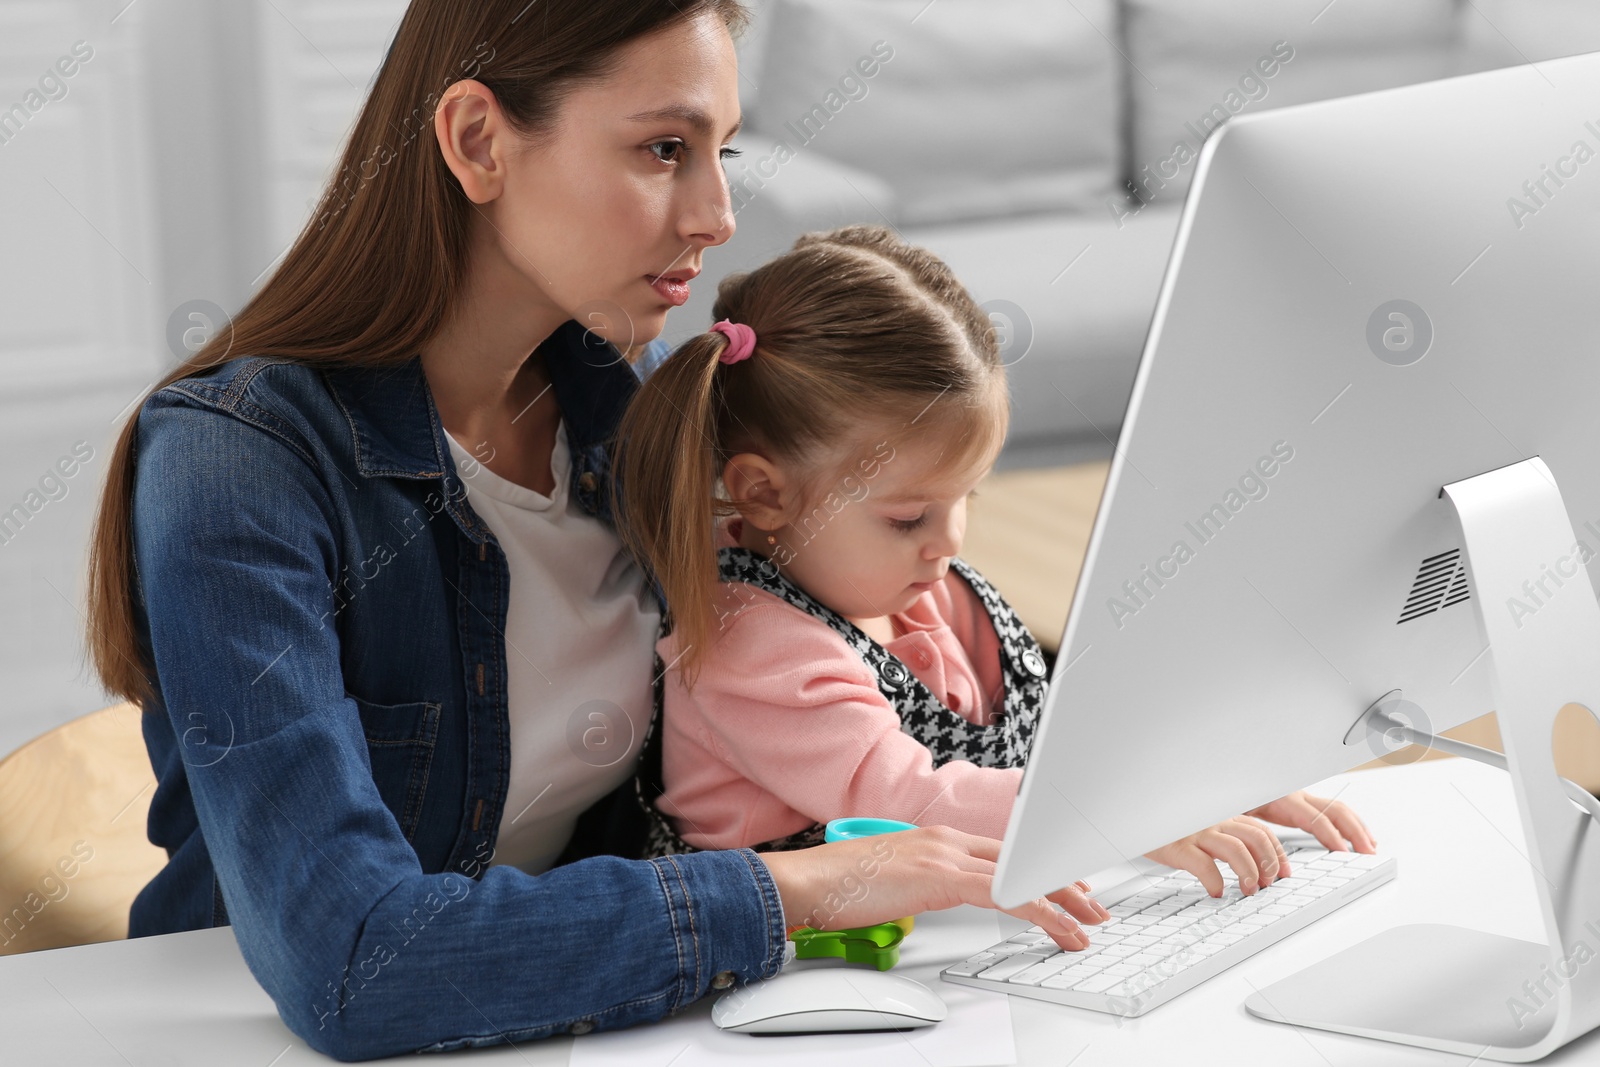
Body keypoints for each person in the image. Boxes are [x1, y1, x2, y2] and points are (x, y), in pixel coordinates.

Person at [82, 2, 1137, 1059]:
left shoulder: (622, 416)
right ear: (478, 141)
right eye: (663, 149)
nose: (718, 212)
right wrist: (796, 888)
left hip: (586, 1018)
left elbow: (827, 653)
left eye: (722, 151)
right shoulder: (237, 465)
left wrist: (1123, 781)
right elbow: (359, 962)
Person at [610, 225, 1377, 928]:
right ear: (765, 494)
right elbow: (908, 796)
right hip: (790, 970)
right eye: (908, 516)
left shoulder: (922, 588)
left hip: (950, 933)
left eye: (968, 497)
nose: (949, 541)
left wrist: (1193, 778)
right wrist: (1130, 809)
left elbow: (1054, 732)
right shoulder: (749, 642)